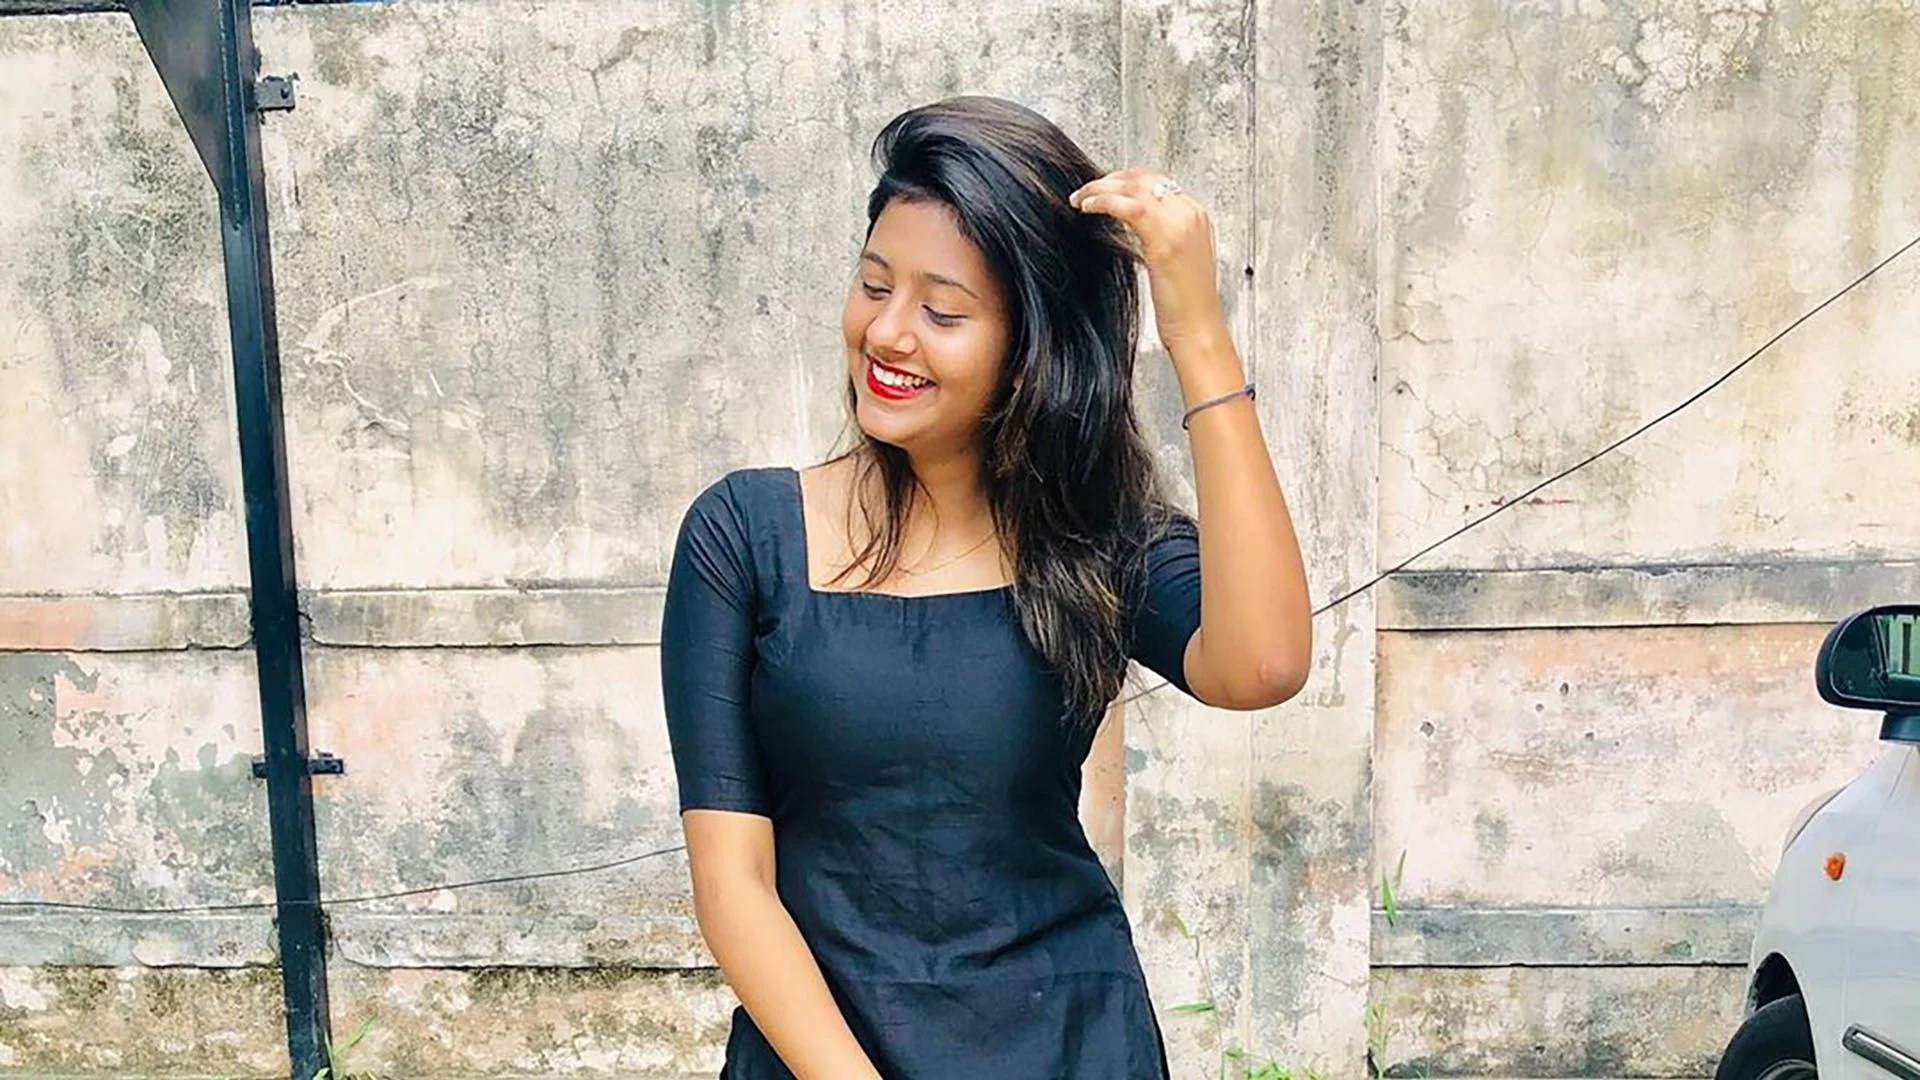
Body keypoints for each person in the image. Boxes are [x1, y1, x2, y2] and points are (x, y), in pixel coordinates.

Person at [660, 95, 1312, 1080]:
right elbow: (733, 885)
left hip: (1068, 1044)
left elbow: (1261, 664)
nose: (888, 333)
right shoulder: (745, 535)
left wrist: (1198, 333)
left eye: (943, 312)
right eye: (874, 286)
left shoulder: (1096, 539)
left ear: (1028, 349)